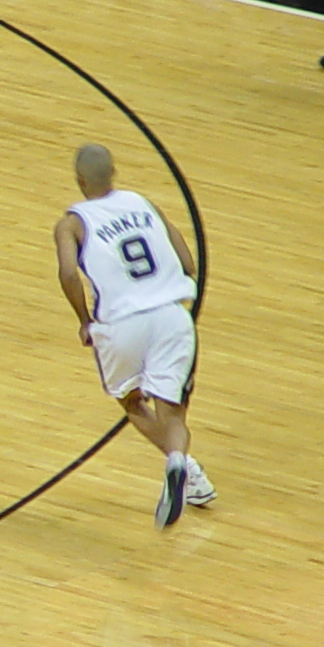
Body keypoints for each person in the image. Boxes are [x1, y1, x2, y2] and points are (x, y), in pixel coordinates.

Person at [52, 142, 214, 525]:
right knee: (172, 412)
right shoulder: (144, 204)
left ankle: (188, 470)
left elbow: (68, 273)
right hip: (170, 316)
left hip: (120, 324)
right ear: (115, 173)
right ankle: (179, 463)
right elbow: (187, 262)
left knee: (131, 402)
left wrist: (83, 320)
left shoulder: (71, 223)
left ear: (79, 181)